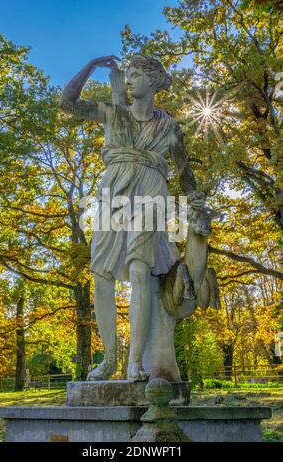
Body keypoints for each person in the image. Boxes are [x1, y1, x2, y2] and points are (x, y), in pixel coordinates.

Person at [60, 54, 204, 381]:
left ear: (153, 80)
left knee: (141, 269)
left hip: (151, 188)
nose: (130, 79)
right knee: (101, 273)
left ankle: (135, 363)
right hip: (113, 189)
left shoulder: (169, 127)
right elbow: (67, 103)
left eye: (138, 74)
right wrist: (90, 65)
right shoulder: (114, 113)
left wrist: (194, 196)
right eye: (130, 73)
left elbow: (184, 171)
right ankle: (109, 360)